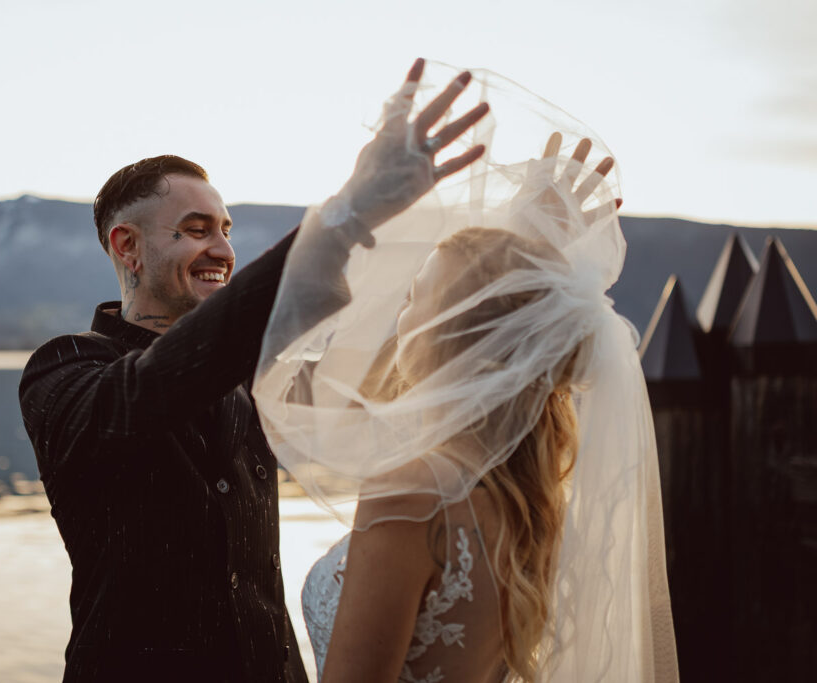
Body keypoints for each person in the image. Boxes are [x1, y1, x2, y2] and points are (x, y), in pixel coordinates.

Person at [18, 59, 489, 682]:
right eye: (194, 230)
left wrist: (527, 268)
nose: (222, 249)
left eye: (225, 229)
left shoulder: (259, 372)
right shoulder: (67, 372)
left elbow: (406, 374)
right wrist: (343, 217)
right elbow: (155, 387)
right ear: (126, 246)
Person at [253, 65, 678, 682]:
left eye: (417, 295)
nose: (401, 313)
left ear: (447, 333)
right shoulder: (530, 498)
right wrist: (526, 250)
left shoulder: (410, 495)